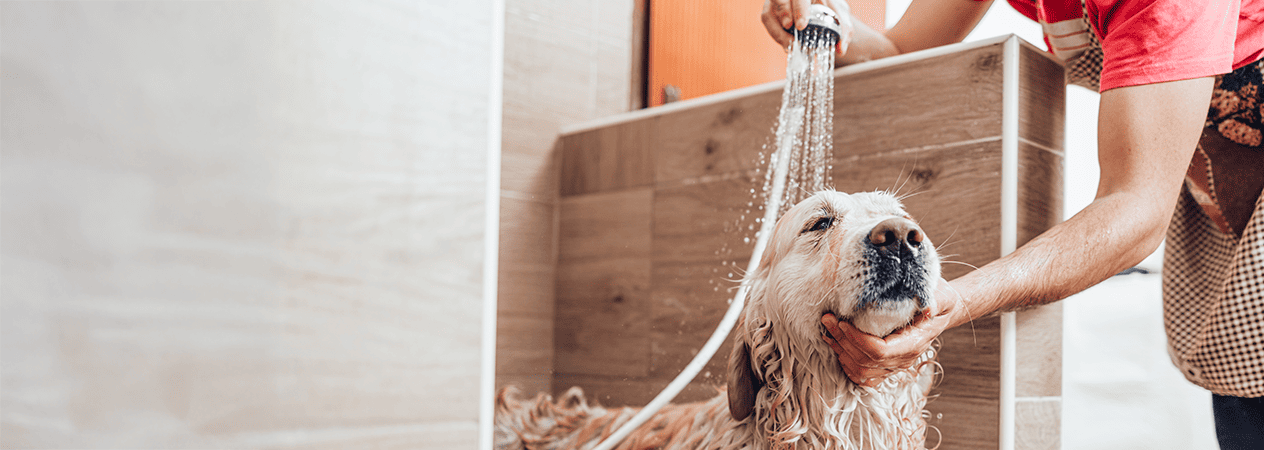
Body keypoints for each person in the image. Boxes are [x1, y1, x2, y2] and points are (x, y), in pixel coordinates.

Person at [761, 0, 1264, 447]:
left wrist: (954, 302)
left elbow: (1135, 206)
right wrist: (836, 25)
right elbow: (899, 47)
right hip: (1223, 218)